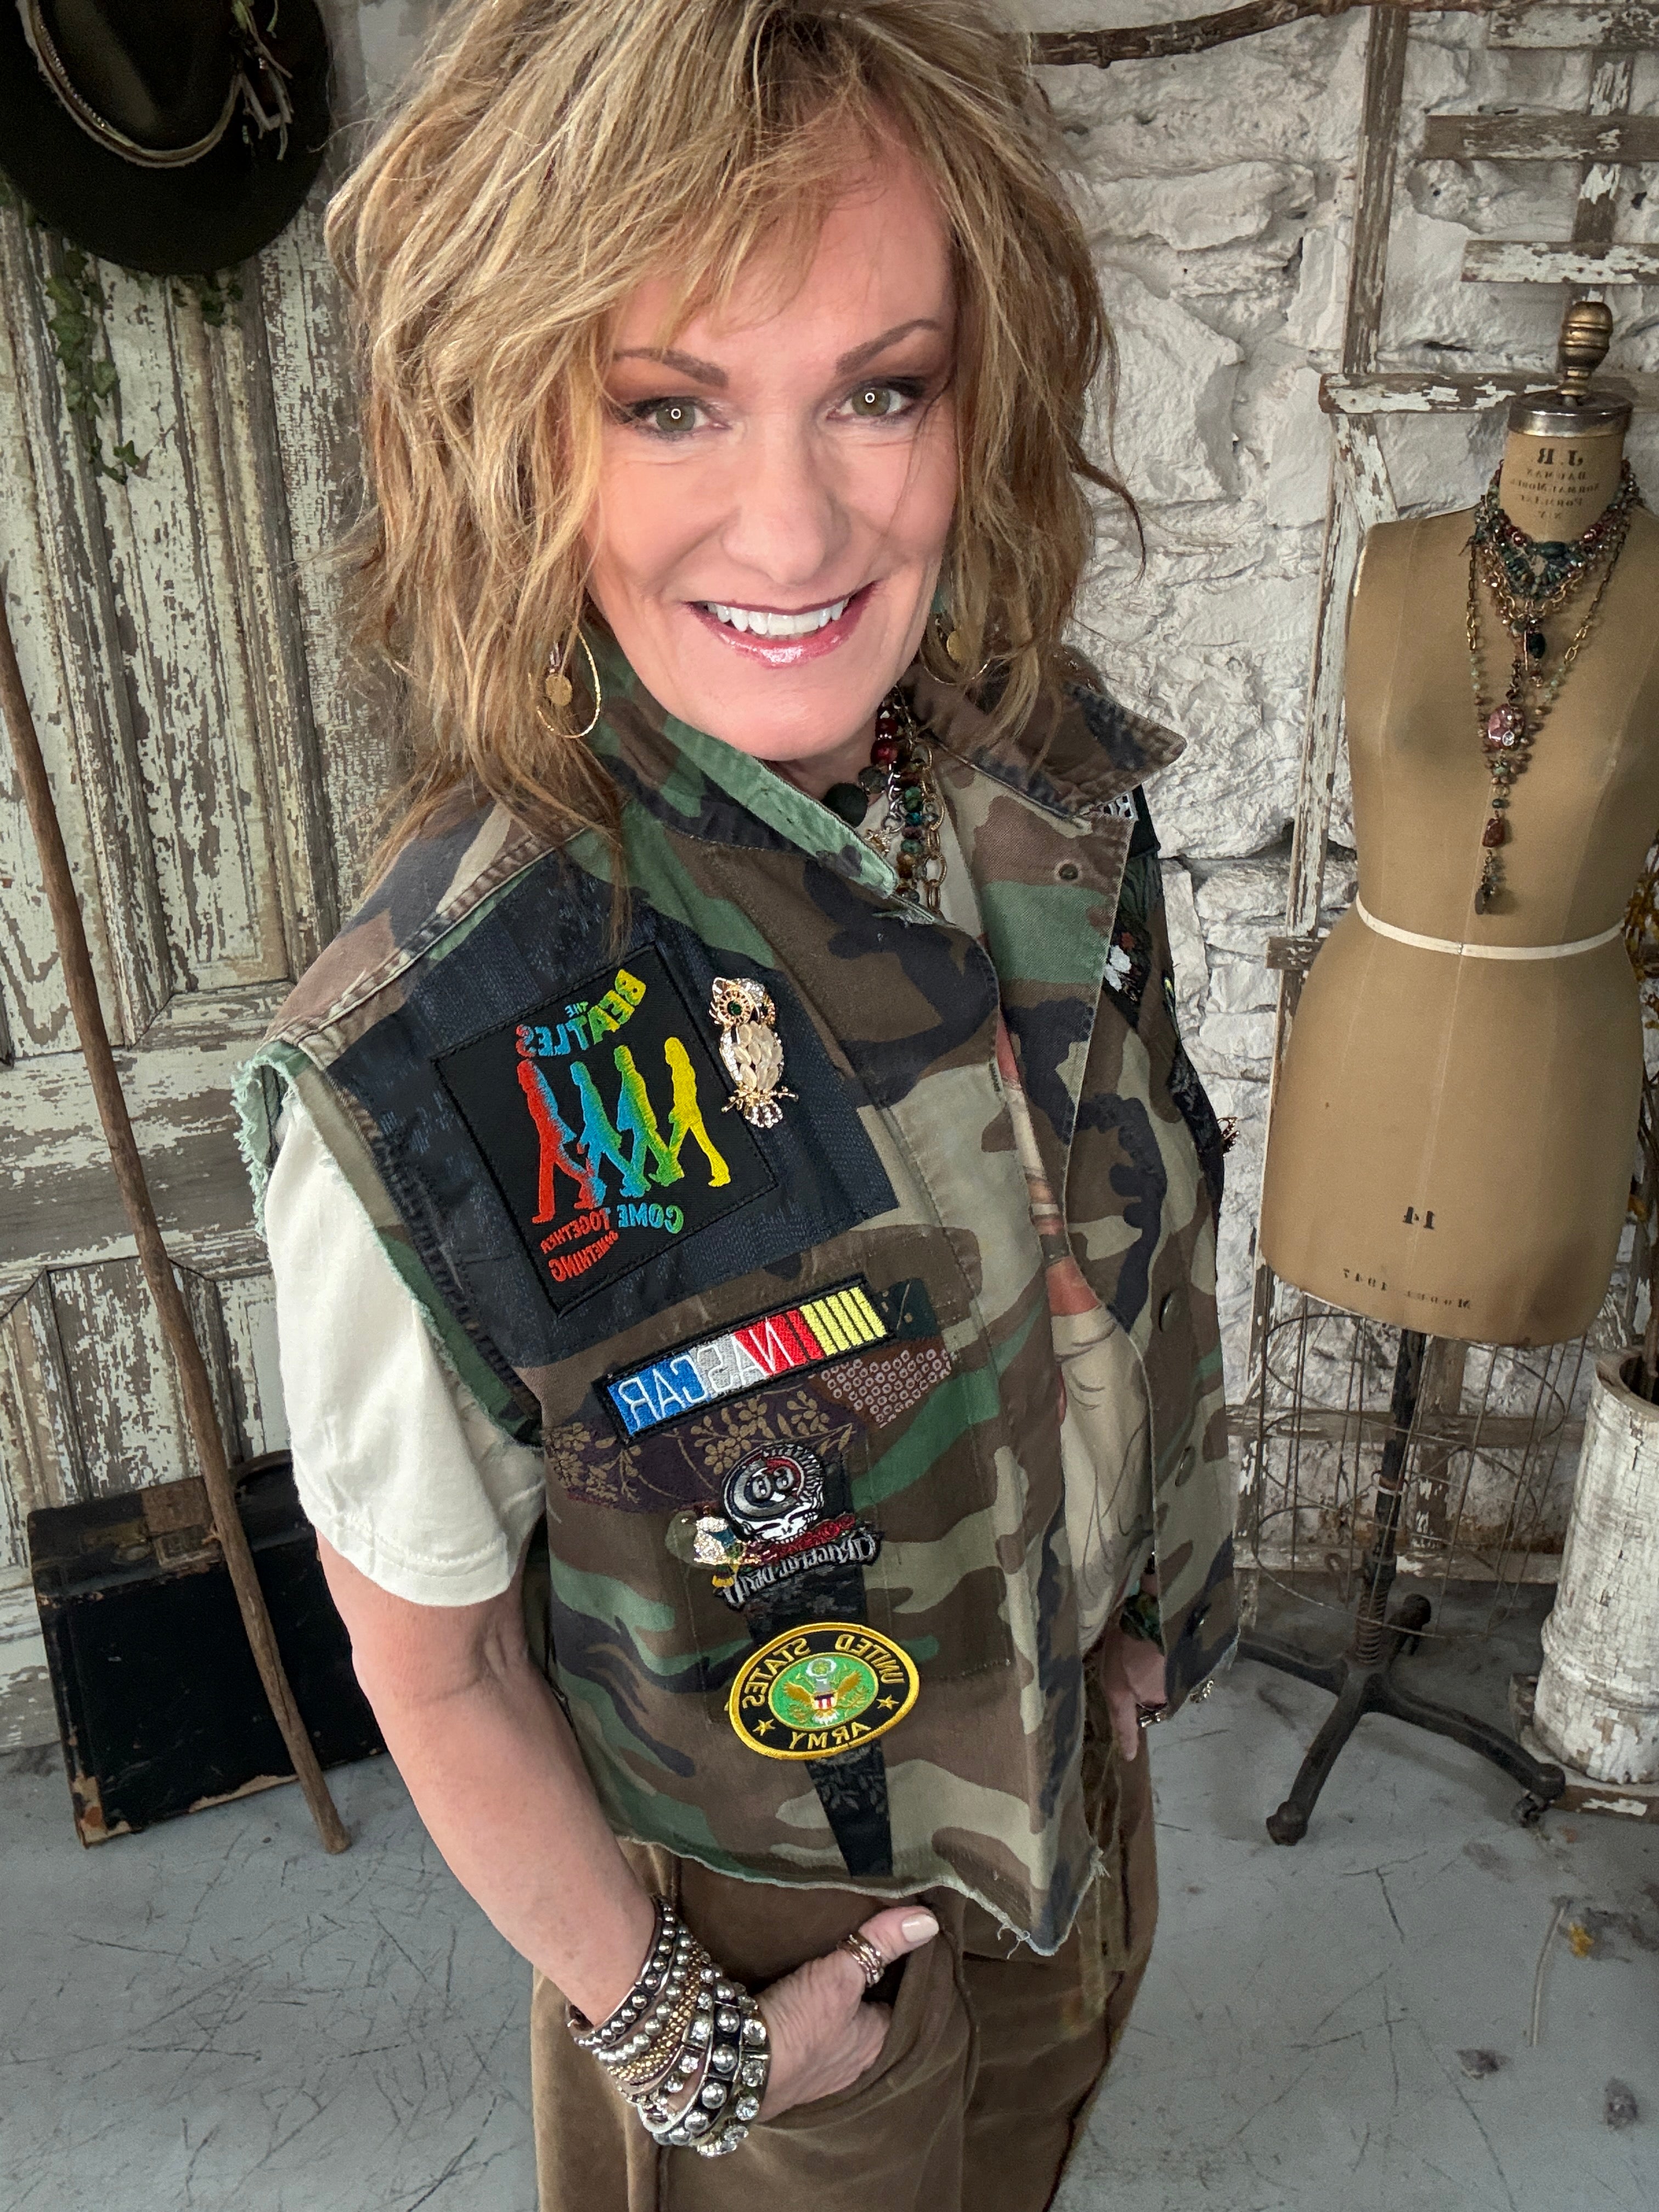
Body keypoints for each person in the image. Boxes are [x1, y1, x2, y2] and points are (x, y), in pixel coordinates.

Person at [236, 3, 1237, 2205]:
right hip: (759, 1931)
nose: (793, 530)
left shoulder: (1048, 790)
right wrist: (692, 2046)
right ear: (515, 427)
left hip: (1062, 1819)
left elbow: (1117, 1234)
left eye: (882, 390)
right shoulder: (439, 1052)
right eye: (669, 405)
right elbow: (436, 1665)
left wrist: (1138, 1605)